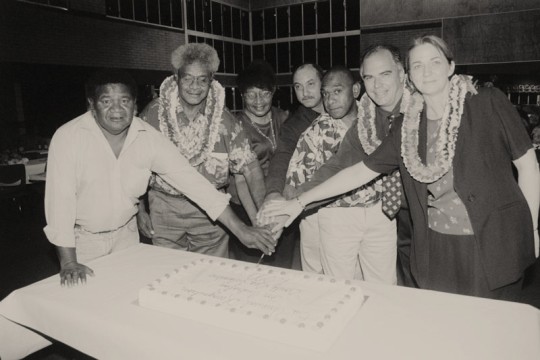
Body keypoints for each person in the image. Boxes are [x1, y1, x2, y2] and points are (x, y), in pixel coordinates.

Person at [261, 35, 540, 301]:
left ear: (450, 67)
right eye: (418, 65)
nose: (426, 71)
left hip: (492, 239)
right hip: (436, 240)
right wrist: (298, 202)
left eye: (435, 62)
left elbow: (528, 165)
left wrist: (532, 228)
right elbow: (355, 170)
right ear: (411, 73)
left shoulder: (486, 102)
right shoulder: (408, 126)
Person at [44, 69, 275, 286]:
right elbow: (60, 204)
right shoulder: (68, 138)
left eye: (124, 101)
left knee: (129, 301)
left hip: (127, 238)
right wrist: (68, 261)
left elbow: (194, 184)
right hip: (83, 243)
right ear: (92, 105)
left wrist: (241, 229)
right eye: (107, 101)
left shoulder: (148, 138)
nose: (117, 110)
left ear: (135, 106)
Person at [291, 44, 416, 286]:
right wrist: (296, 201)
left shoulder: (416, 108)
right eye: (370, 77)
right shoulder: (338, 130)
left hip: (392, 214)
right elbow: (338, 169)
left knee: (389, 287)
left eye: (385, 74)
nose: (377, 85)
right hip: (339, 215)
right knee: (341, 287)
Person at [137, 43, 267, 258]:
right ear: (176, 78)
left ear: (211, 81)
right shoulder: (153, 115)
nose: (194, 86)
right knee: (167, 275)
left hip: (211, 214)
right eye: (188, 78)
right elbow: (136, 165)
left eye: (202, 80)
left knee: (209, 278)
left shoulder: (224, 121)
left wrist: (264, 216)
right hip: (163, 208)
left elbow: (251, 168)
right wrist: (140, 210)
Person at [256, 63, 325, 268]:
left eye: (311, 84)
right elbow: (282, 155)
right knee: (314, 270)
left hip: (353, 207)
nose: (305, 92)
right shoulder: (295, 123)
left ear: (323, 82)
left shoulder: (346, 110)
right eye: (298, 86)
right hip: (309, 206)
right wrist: (273, 193)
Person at [228, 60, 289, 262]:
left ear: (273, 92)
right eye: (251, 94)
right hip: (247, 208)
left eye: (264, 93)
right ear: (242, 95)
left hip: (280, 203)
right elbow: (240, 181)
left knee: (284, 268)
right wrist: (257, 223)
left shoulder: (284, 117)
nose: (259, 100)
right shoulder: (236, 126)